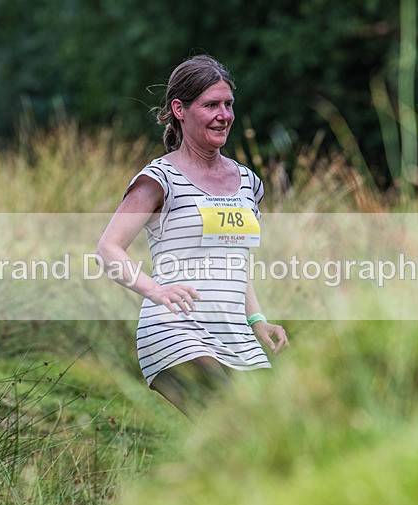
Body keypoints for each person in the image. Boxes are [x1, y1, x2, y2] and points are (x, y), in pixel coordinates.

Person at [96, 55, 288, 417]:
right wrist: (155, 290)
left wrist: (257, 321)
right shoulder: (159, 178)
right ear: (179, 110)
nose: (224, 115)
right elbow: (108, 247)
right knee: (230, 422)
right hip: (175, 331)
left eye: (228, 104)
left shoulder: (248, 182)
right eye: (211, 105)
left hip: (236, 336)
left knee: (270, 432)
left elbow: (236, 263)